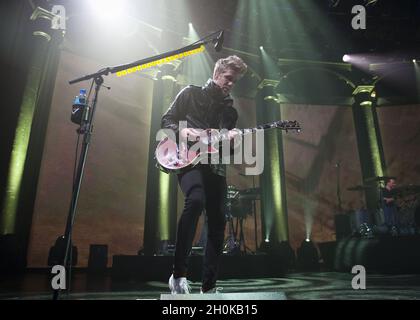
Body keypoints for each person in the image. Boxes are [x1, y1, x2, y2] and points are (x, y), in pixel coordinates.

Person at [161, 55, 247, 294]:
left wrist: (234, 141)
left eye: (235, 81)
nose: (230, 84)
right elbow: (166, 120)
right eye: (228, 78)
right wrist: (182, 130)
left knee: (218, 222)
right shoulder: (190, 93)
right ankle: (178, 276)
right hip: (188, 161)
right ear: (217, 72)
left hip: (216, 167)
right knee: (195, 200)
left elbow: (226, 149)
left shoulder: (230, 113)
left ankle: (208, 287)